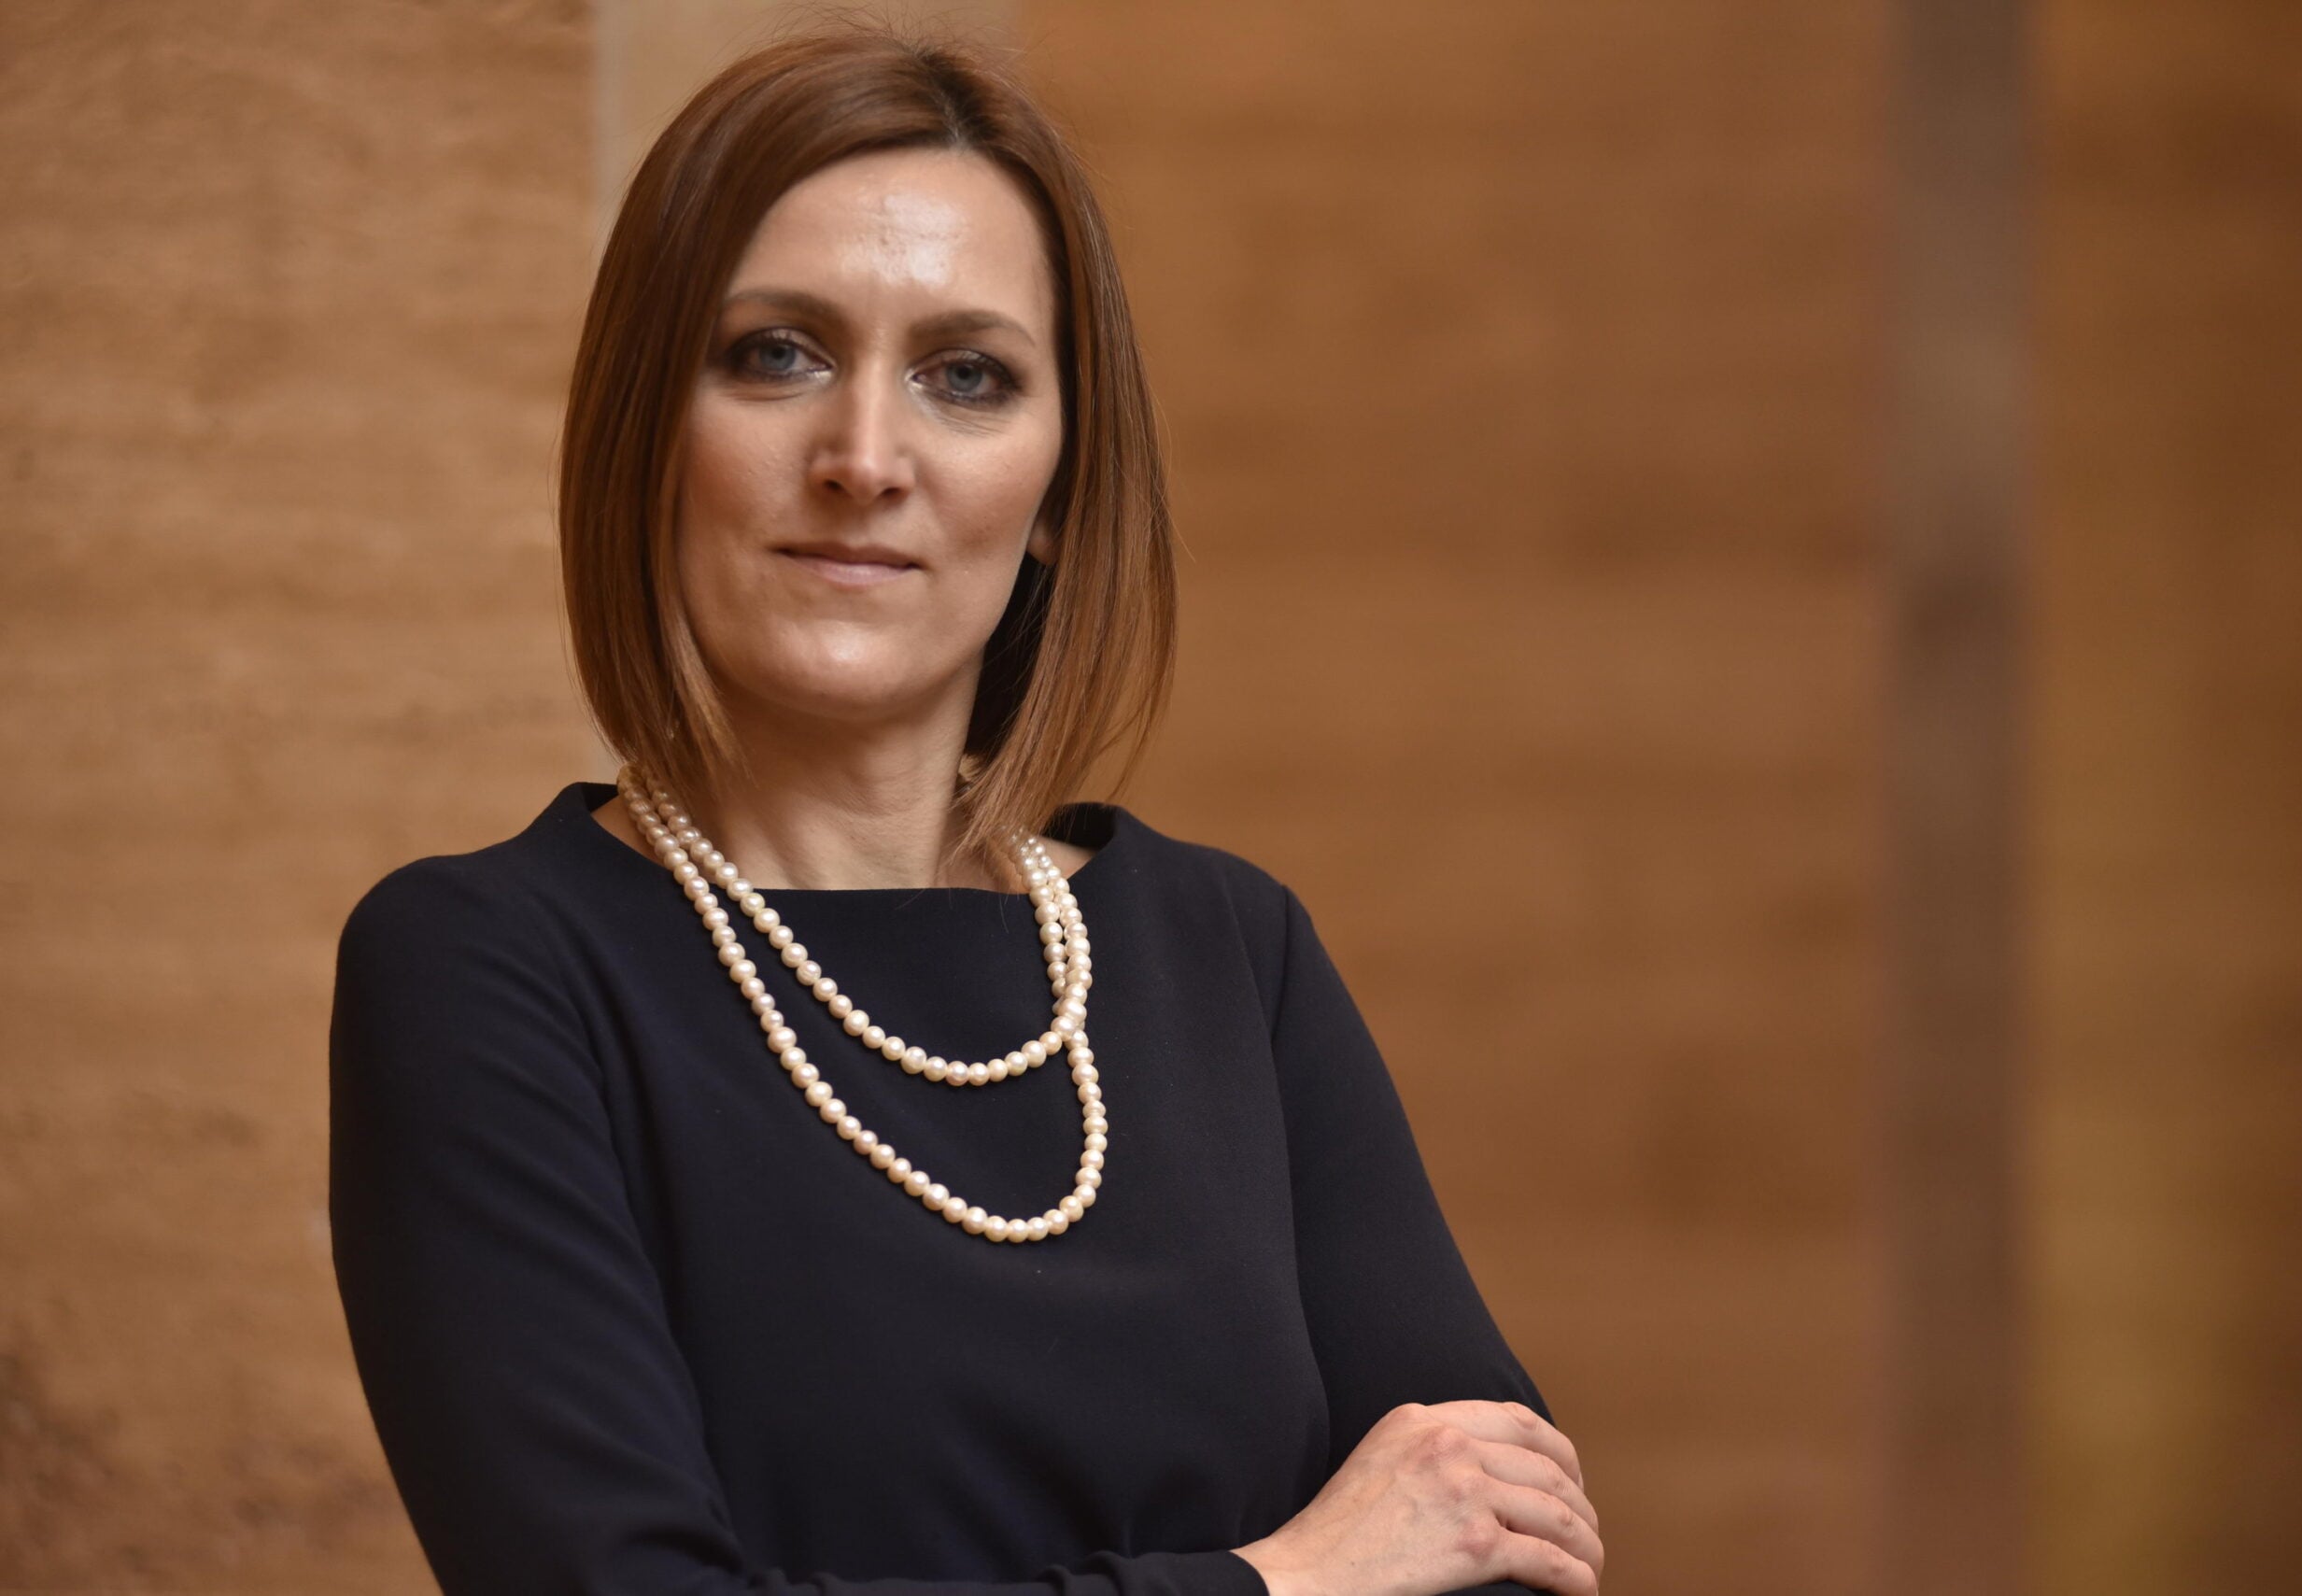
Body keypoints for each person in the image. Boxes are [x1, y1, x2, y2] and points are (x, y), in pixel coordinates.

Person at [327, 24, 1603, 1596]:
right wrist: (1292, 1576)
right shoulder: (484, 968)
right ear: (652, 428)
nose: (865, 458)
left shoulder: (1227, 950)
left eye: (967, 376)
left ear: (1059, 483)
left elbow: (1501, 1549)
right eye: (776, 354)